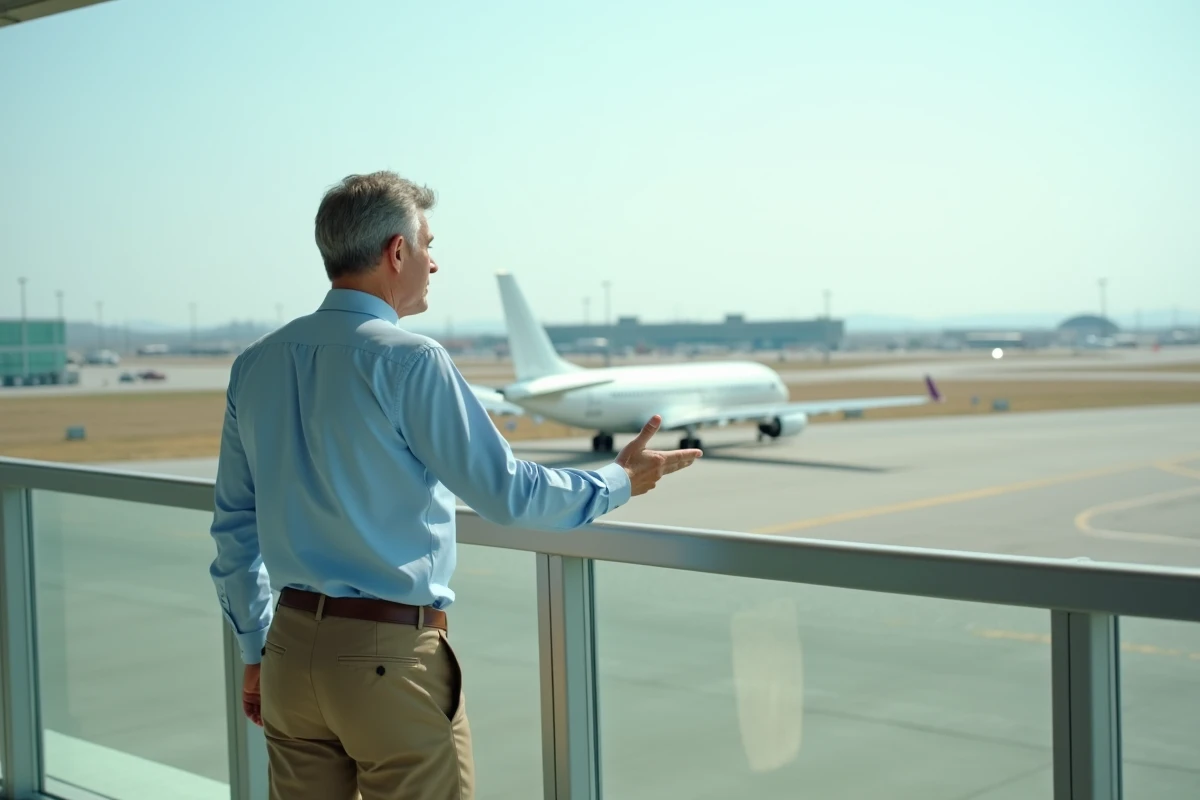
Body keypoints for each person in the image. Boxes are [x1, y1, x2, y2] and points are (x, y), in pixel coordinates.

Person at [207, 170, 702, 800]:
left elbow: (232, 531)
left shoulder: (254, 363)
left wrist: (255, 648)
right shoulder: (410, 360)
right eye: (428, 244)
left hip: (287, 650)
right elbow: (506, 494)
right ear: (396, 252)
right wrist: (619, 481)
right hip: (386, 660)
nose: (434, 263)